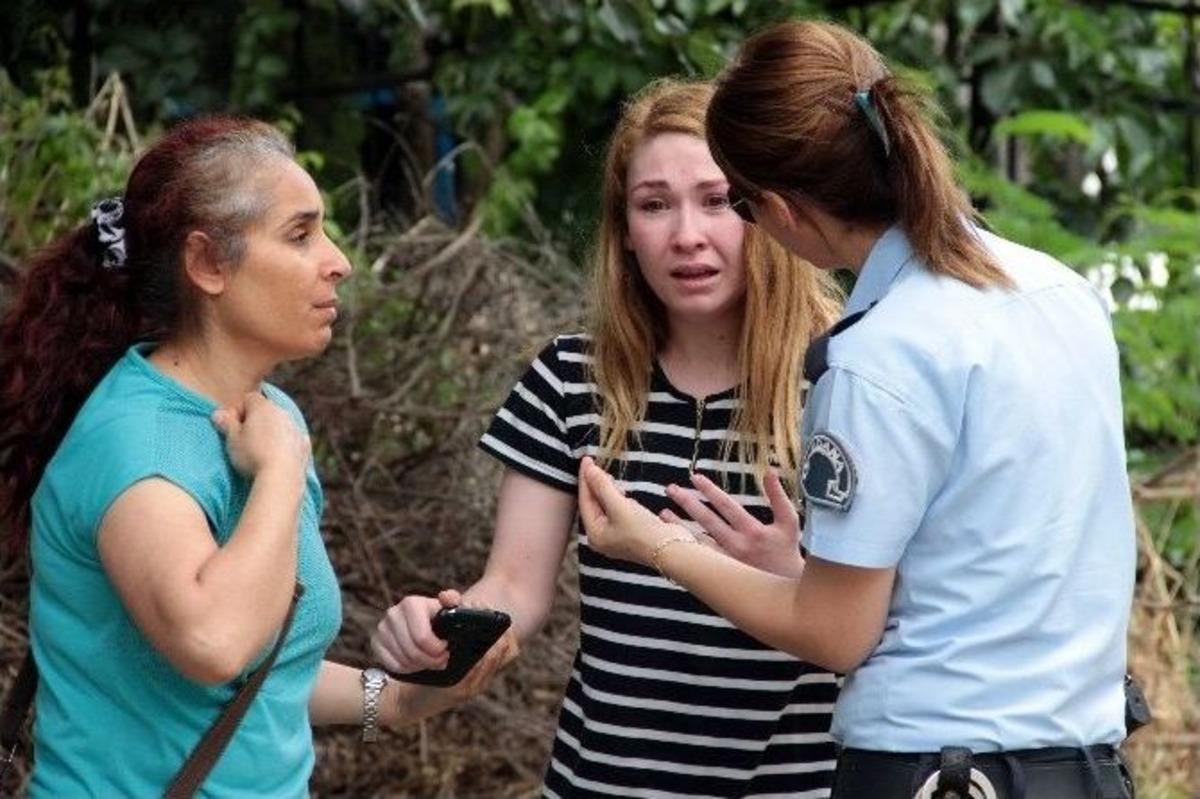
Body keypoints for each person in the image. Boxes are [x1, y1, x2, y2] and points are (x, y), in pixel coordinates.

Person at [575, 19, 1138, 799]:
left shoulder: (877, 355)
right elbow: (996, 556)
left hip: (937, 770)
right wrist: (799, 572)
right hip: (1084, 765)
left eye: (734, 200)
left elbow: (835, 634)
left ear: (780, 209)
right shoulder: (1059, 293)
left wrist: (658, 546)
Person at [0, 116, 513, 797]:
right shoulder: (135, 444)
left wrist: (396, 698)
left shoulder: (270, 416)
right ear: (209, 262)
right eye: (300, 234)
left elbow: (265, 679)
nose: (339, 261)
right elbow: (213, 642)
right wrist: (277, 473)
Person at [371, 78, 844, 797]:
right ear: (625, 229)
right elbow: (515, 588)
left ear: (765, 210)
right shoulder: (570, 378)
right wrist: (445, 626)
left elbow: (894, 626)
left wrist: (801, 581)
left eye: (716, 199)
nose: (687, 234)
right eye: (654, 204)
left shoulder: (844, 377)